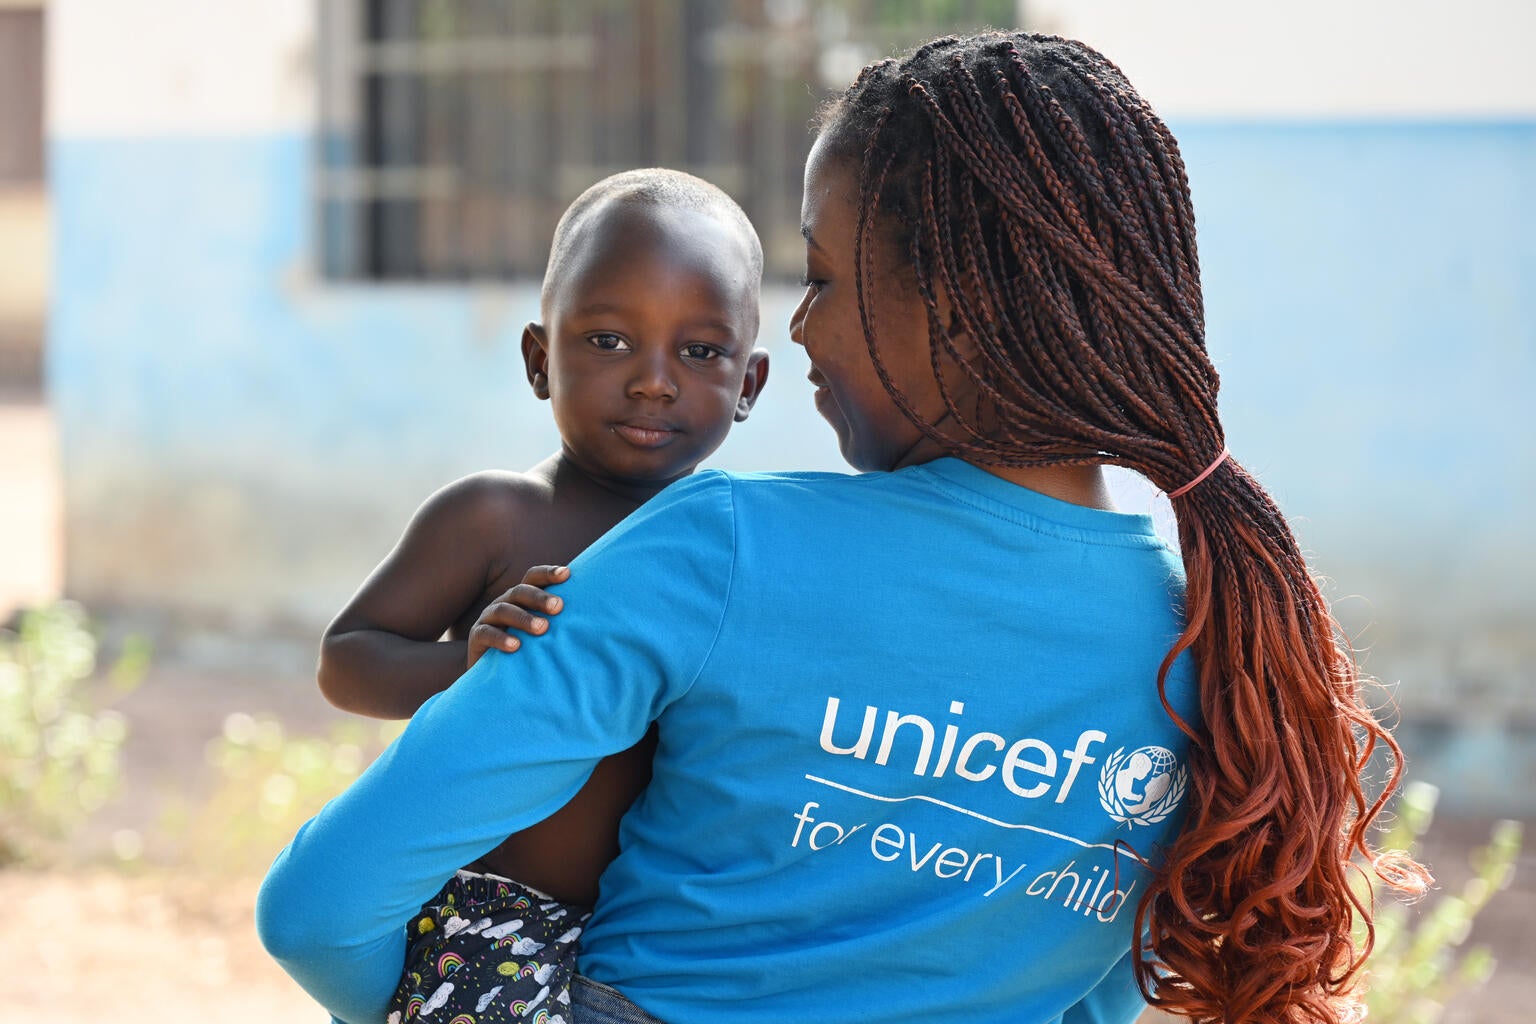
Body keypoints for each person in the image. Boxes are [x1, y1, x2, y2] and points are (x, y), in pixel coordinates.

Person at [258, 32, 1426, 1024]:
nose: (800, 333)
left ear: (954, 306)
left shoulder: (714, 548)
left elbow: (319, 906)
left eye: (820, 279)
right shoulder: (1205, 642)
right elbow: (1100, 995)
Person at [310, 167, 769, 1022]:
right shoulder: (495, 518)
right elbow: (346, 661)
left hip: (662, 935)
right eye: (607, 341)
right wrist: (470, 664)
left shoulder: (736, 555)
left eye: (700, 352)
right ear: (537, 358)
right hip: (493, 921)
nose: (653, 381)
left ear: (749, 385)